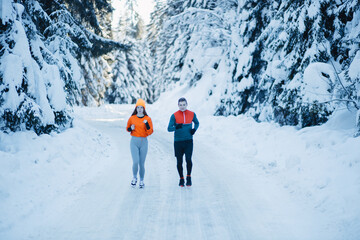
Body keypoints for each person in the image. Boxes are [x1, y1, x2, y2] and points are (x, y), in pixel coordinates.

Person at [167, 97, 199, 187]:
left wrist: (194, 130)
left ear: (186, 105)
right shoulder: (174, 115)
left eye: (184, 105)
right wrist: (176, 127)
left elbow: (197, 123)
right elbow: (169, 128)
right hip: (178, 142)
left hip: (189, 141)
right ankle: (181, 178)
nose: (182, 107)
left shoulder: (192, 114)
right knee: (179, 161)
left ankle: (188, 177)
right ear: (178, 105)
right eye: (180, 105)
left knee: (188, 159)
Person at [126, 99, 153, 188]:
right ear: (136, 108)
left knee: (141, 163)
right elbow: (127, 128)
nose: (140, 109)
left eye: (142, 107)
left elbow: (150, 132)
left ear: (144, 108)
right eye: (138, 107)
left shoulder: (147, 119)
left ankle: (141, 180)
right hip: (134, 141)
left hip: (144, 142)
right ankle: (134, 178)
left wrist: (147, 125)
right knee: (135, 161)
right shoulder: (132, 118)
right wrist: (131, 128)